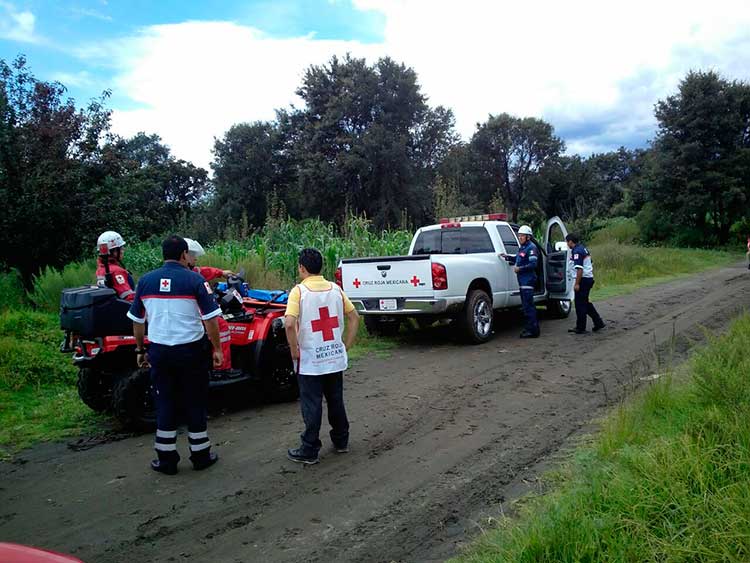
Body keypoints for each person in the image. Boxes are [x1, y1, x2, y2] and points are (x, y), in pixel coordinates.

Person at [127, 235, 223, 475]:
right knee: (195, 401)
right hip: (191, 351)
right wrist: (217, 348)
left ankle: (166, 459)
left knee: (164, 401)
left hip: (159, 352)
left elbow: (138, 322)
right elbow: (211, 320)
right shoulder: (196, 280)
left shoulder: (145, 282)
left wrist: (141, 350)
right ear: (183, 255)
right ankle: (200, 455)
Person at [284, 248, 360, 465]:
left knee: (312, 404)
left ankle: (309, 449)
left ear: (302, 267)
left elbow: (289, 323)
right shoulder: (336, 289)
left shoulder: (298, 292)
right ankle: (341, 441)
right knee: (336, 400)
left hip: (310, 361)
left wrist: (294, 350)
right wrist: (345, 346)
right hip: (334, 358)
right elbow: (354, 318)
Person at [184, 238, 236, 374]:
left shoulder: (184, 272)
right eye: (193, 255)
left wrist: (221, 272)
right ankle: (222, 367)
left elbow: (204, 271)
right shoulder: (190, 276)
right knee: (221, 325)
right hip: (191, 317)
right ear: (185, 255)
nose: (195, 259)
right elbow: (207, 313)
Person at [503, 225, 540, 338]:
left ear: (528, 237)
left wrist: (520, 269)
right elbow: (518, 258)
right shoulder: (522, 248)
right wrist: (507, 257)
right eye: (519, 236)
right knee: (526, 306)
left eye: (522, 236)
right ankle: (531, 329)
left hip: (527, 281)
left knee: (528, 306)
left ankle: (532, 330)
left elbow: (533, 264)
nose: (520, 238)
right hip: (523, 281)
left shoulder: (531, 248)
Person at [565, 233, 605, 334]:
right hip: (587, 278)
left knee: (580, 305)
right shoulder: (582, 248)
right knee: (585, 303)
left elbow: (579, 269)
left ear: (570, 241)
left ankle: (581, 327)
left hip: (583, 279)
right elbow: (590, 262)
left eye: (567, 242)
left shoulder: (577, 251)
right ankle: (598, 322)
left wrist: (577, 284)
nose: (567, 244)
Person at [95, 231, 135, 301]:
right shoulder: (117, 271)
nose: (123, 250)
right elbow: (129, 297)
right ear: (114, 251)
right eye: (121, 248)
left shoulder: (100, 269)